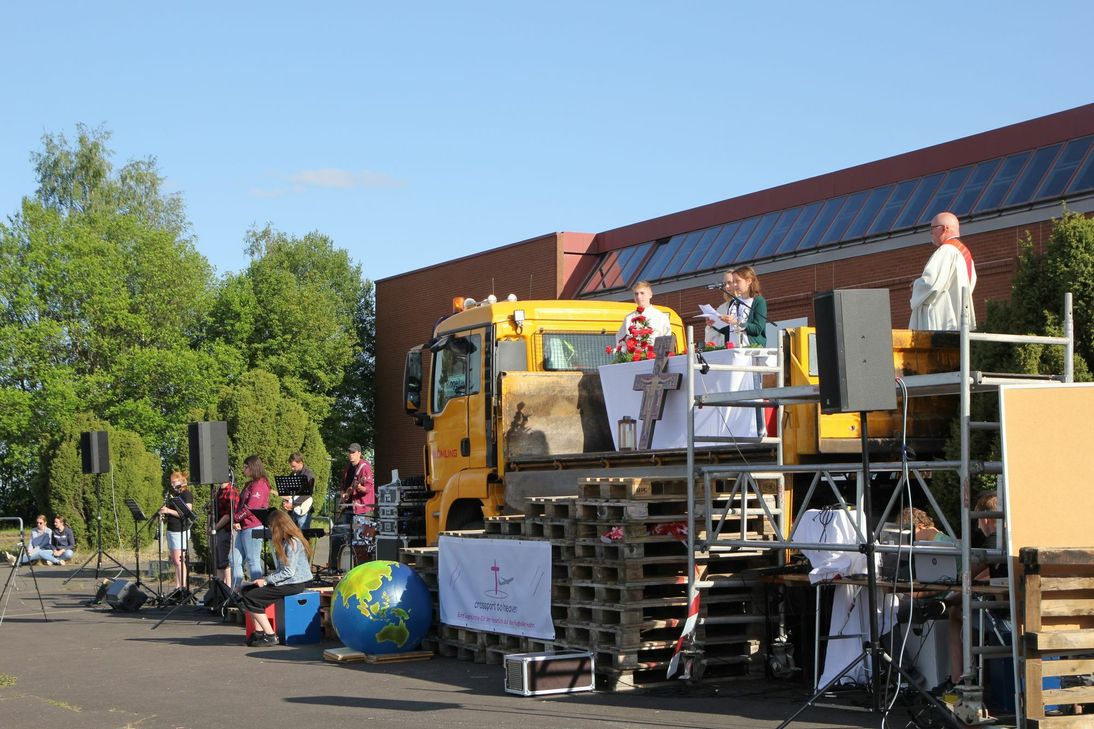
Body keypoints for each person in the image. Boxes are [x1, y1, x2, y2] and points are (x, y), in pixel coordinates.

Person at [239, 509, 314, 647]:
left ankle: (270, 635)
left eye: (271, 526)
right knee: (246, 591)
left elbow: (289, 572)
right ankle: (259, 632)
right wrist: (264, 579)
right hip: (288, 582)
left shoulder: (293, 543)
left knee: (252, 596)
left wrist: (267, 580)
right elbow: (282, 571)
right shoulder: (286, 541)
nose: (270, 529)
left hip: (294, 583)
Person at [909, 211, 977, 331]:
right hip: (958, 319)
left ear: (944, 228)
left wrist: (916, 285)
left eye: (933, 229)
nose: (931, 233)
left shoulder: (946, 251)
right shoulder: (965, 254)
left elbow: (930, 284)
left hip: (941, 319)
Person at [232, 455, 271, 590]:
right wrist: (237, 520)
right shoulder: (250, 484)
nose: (244, 469)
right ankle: (236, 591)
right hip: (244, 526)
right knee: (234, 559)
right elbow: (241, 504)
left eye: (245, 467)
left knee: (253, 560)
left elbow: (251, 507)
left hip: (253, 526)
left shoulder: (261, 484)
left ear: (252, 467)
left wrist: (236, 518)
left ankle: (257, 594)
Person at [158, 469, 194, 593]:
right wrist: (164, 515)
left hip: (180, 530)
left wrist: (168, 511)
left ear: (181, 481)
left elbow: (186, 512)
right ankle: (177, 586)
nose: (172, 484)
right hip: (172, 529)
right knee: (175, 560)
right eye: (171, 482)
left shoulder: (186, 494)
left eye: (174, 482)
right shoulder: (175, 496)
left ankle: (182, 587)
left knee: (180, 560)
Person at [715, 265, 767, 348]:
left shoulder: (758, 301)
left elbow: (757, 329)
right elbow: (730, 331)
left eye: (737, 281)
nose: (734, 285)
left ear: (748, 281)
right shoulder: (733, 301)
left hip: (750, 349)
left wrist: (736, 322)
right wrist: (714, 323)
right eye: (733, 281)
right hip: (733, 349)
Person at [616, 280, 672, 345]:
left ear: (650, 295)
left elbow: (667, 343)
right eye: (636, 294)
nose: (639, 297)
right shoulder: (628, 318)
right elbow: (620, 341)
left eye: (642, 293)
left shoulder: (661, 317)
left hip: (654, 354)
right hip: (633, 355)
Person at [210, 480, 240, 588]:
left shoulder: (231, 491)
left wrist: (215, 527)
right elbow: (212, 510)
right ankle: (219, 589)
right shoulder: (218, 491)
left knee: (224, 561)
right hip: (217, 529)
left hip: (225, 529)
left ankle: (227, 588)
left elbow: (229, 515)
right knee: (217, 561)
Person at [338, 443, 375, 526]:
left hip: (361, 508)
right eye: (349, 452)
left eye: (353, 452)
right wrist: (342, 494)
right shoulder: (348, 467)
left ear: (359, 453)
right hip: (347, 506)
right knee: (346, 534)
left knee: (359, 535)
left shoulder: (365, 467)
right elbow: (342, 483)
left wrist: (359, 487)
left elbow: (368, 489)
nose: (351, 454)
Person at [280, 453, 315, 530]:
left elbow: (307, 494)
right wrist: (285, 502)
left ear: (301, 463)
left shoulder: (309, 474)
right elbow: (288, 491)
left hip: (303, 511)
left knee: (302, 536)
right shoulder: (292, 475)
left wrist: (293, 504)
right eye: (291, 466)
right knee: (290, 536)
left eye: (294, 466)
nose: (292, 468)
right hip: (292, 511)